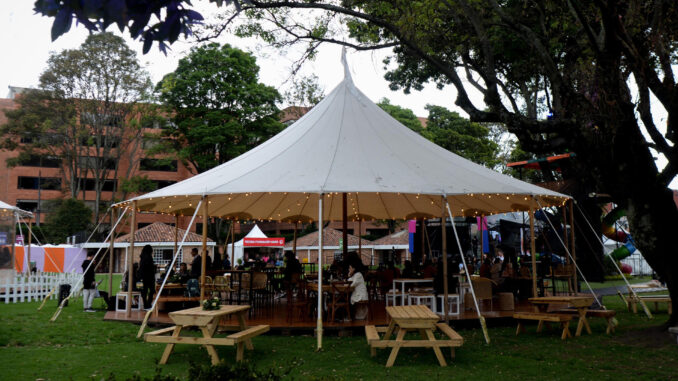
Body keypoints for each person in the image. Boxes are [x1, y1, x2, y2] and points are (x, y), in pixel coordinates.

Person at [138, 244, 156, 309]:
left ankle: (145, 304)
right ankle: (148, 304)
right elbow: (150, 269)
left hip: (140, 277)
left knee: (143, 292)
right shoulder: (149, 257)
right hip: (148, 277)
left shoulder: (142, 257)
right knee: (152, 290)